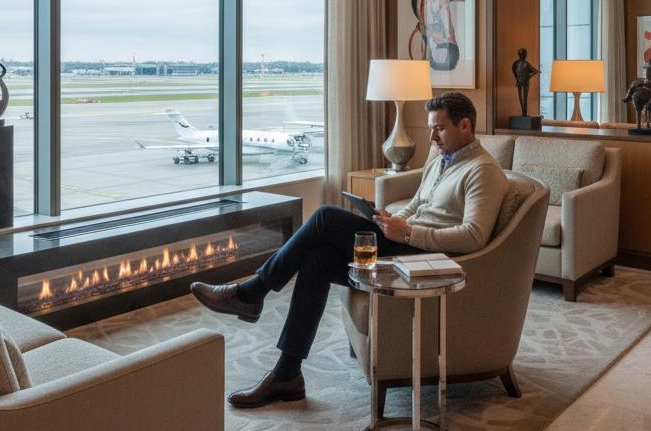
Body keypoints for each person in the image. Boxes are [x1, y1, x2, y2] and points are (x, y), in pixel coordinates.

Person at [189, 91, 508, 408]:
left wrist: (409, 232)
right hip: (404, 242)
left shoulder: (483, 170)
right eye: (431, 128)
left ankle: (252, 292)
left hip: (426, 260)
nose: (432, 136)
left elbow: (473, 236)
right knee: (317, 259)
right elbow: (416, 205)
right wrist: (392, 219)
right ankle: (287, 374)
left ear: (465, 125)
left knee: (325, 216)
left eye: (439, 128)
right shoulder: (440, 159)